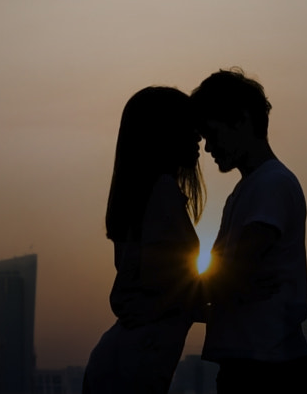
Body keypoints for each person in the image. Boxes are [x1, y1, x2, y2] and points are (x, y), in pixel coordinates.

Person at [192, 68, 307, 394]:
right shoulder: (248, 189)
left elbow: (235, 270)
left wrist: (221, 285)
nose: (207, 148)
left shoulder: (271, 184)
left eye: (212, 134)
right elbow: (227, 281)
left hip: (269, 369)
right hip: (252, 363)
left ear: (241, 120)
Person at [82, 86, 206, 394]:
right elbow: (166, 288)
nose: (199, 136)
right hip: (139, 357)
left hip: (125, 353)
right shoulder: (163, 191)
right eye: (189, 127)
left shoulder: (142, 196)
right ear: (165, 133)